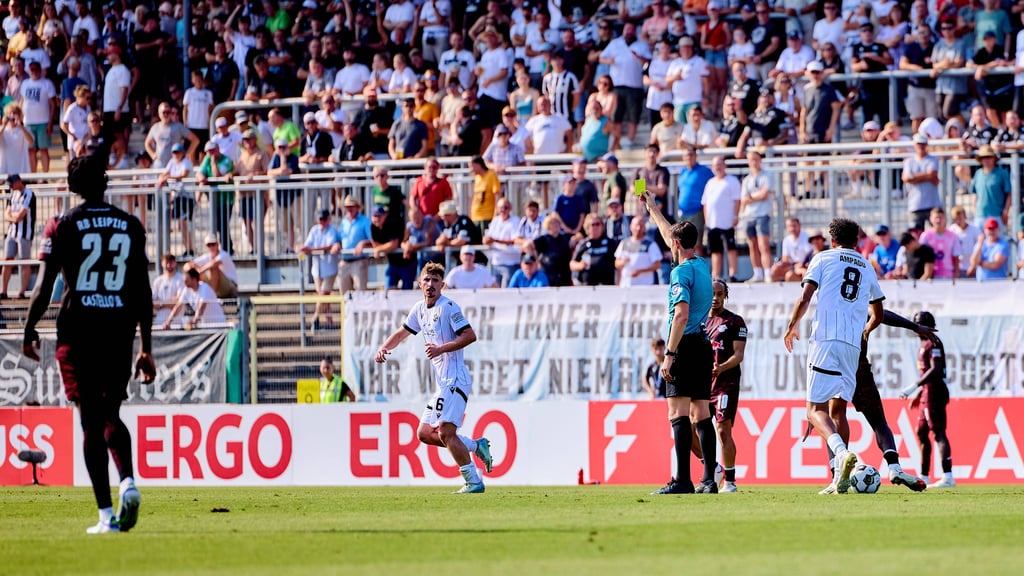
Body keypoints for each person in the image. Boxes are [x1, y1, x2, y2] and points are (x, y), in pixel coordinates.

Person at [22, 154, 155, 534]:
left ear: (71, 186)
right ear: (105, 182)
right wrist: (146, 346)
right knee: (111, 413)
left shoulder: (62, 224)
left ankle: (106, 516)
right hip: (118, 330)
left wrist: (29, 329)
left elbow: (44, 286)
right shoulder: (130, 225)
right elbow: (142, 291)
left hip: (78, 330)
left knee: (89, 423)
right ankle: (128, 482)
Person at [784, 218, 884, 494]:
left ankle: (841, 453)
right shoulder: (867, 265)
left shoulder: (822, 258)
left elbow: (805, 297)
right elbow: (878, 314)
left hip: (825, 340)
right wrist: (865, 330)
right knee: (838, 410)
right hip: (852, 346)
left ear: (833, 239)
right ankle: (839, 477)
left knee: (814, 410)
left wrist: (791, 326)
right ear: (857, 240)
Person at [374, 262, 493, 493]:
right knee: (425, 433)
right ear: (420, 283)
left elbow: (470, 335)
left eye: (435, 281)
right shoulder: (419, 309)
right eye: (427, 280)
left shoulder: (448, 307)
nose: (430, 285)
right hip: (443, 384)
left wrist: (441, 349)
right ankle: (475, 445)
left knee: (446, 432)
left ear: (442, 285)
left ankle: (473, 481)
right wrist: (383, 348)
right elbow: (401, 333)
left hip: (455, 379)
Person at [640, 190, 717, 495]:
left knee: (678, 413)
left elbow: (681, 315)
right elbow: (669, 234)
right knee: (702, 413)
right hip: (703, 345)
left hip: (684, 345)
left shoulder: (680, 273)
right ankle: (709, 480)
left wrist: (669, 354)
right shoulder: (702, 265)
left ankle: (682, 479)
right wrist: (652, 208)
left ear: (675, 245)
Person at [900, 311, 955, 489]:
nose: (916, 328)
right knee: (921, 432)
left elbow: (936, 369)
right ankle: (924, 476)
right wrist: (919, 394)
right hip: (926, 394)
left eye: (919, 324)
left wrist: (914, 386)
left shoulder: (934, 342)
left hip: (935, 393)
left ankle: (948, 476)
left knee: (938, 433)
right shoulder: (923, 344)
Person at [705, 279, 747, 493]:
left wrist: (721, 367)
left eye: (719, 294)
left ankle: (730, 481)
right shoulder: (699, 321)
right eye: (712, 293)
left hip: (725, 385)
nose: (715, 298)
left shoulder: (734, 321)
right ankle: (714, 468)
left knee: (722, 431)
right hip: (702, 386)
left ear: (725, 296)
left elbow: (739, 355)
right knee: (692, 431)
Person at [299, 209, 342, 331]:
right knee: (323, 297)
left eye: (324, 219)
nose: (321, 221)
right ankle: (330, 322)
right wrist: (303, 248)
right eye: (320, 219)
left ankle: (315, 317)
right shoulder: (314, 230)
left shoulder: (332, 230)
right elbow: (308, 244)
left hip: (329, 268)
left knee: (323, 294)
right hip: (317, 269)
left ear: (329, 219)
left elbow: (329, 246)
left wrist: (311, 250)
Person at [703, 156, 741, 282]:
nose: (718, 167)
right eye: (715, 165)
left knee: (731, 248)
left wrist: (735, 216)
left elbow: (737, 200)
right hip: (713, 223)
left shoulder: (732, 181)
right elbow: (705, 203)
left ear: (725, 166)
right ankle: (716, 275)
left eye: (720, 164)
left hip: (727, 222)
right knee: (715, 250)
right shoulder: (710, 183)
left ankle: (733, 274)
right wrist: (707, 220)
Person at [739, 149, 773, 283]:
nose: (753, 162)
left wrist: (750, 197)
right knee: (752, 245)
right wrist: (754, 197)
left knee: (763, 245)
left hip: (762, 214)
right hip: (749, 215)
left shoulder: (767, 175)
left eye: (755, 159)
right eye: (750, 159)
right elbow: (743, 199)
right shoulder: (747, 179)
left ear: (760, 160)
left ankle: (768, 273)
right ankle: (757, 273)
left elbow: (764, 194)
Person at [161, 265, 228, 329]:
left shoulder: (205, 288)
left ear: (194, 279)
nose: (184, 283)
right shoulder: (186, 290)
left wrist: (194, 320)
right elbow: (178, 306)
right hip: (206, 327)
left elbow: (201, 307)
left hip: (219, 325)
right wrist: (168, 321)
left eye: (187, 280)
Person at [2, 173, 33, 299]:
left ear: (18, 181)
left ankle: (22, 292)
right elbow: (7, 214)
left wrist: (13, 216)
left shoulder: (29, 194)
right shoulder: (13, 194)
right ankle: (3, 291)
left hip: (24, 233)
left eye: (12, 184)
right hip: (12, 232)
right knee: (7, 260)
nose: (11, 187)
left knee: (25, 262)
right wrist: (14, 217)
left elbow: (21, 216)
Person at [902, 134, 941, 230]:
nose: (921, 146)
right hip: (915, 205)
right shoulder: (909, 161)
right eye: (918, 144)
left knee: (936, 233)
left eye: (923, 144)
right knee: (916, 234)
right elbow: (906, 178)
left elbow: (932, 174)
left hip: (932, 204)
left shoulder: (933, 159)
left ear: (926, 145)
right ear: (914, 145)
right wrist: (926, 176)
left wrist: (913, 177)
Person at [570, 214, 618, 286]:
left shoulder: (611, 243)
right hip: (587, 285)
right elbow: (572, 264)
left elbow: (618, 262)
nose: (595, 227)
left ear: (602, 226)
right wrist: (580, 265)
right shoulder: (583, 244)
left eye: (597, 224)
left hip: (606, 285)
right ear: (587, 227)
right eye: (592, 225)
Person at [614, 216, 661, 287]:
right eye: (636, 225)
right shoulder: (624, 243)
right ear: (630, 227)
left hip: (645, 286)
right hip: (626, 285)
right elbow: (616, 263)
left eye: (641, 226)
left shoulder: (651, 244)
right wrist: (622, 262)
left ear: (644, 228)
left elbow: (657, 265)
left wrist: (640, 271)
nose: (638, 228)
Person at [919, 207, 961, 279]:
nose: (938, 220)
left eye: (941, 218)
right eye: (936, 218)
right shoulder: (926, 236)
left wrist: (956, 274)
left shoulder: (952, 236)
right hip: (931, 276)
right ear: (931, 219)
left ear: (945, 219)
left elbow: (956, 257)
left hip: (948, 275)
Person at [193, 234, 239, 299]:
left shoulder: (224, 254)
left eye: (213, 244)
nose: (211, 247)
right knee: (194, 270)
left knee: (213, 269)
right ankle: (198, 296)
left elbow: (214, 264)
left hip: (231, 286)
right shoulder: (206, 256)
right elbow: (191, 264)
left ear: (217, 245)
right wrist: (195, 270)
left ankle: (212, 297)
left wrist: (200, 271)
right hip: (219, 288)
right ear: (206, 247)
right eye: (209, 245)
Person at [152, 253, 184, 327]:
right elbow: (154, 303)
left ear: (175, 263)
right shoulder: (158, 281)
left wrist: (161, 304)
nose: (169, 265)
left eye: (171, 262)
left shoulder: (180, 279)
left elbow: (179, 300)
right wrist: (169, 303)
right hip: (159, 323)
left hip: (176, 323)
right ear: (162, 264)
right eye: (166, 263)